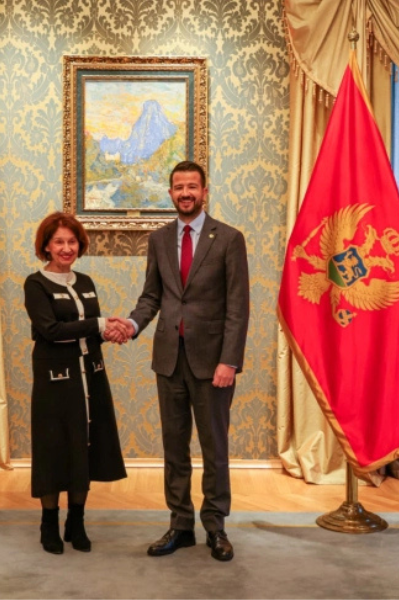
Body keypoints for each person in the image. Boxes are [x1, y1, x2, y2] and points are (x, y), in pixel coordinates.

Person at [116, 160, 250, 562]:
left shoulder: (229, 239)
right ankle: (180, 525)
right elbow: (151, 297)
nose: (185, 193)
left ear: (204, 192)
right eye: (179, 187)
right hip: (169, 361)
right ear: (171, 193)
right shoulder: (159, 240)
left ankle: (215, 526)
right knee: (174, 449)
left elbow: (238, 307)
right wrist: (132, 324)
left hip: (213, 364)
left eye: (192, 186)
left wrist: (229, 361)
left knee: (214, 448)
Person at [23, 212, 128, 555]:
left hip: (91, 375)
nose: (66, 248)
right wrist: (99, 324)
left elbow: (89, 329)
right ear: (46, 246)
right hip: (56, 380)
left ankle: (76, 522)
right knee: (54, 448)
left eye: (72, 242)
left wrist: (111, 333)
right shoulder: (36, 284)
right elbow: (50, 330)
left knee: (86, 444)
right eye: (59, 242)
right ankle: (49, 523)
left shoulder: (85, 281)